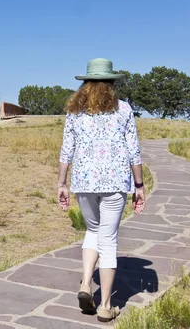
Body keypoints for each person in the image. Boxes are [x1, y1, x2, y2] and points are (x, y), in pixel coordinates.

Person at [57, 58, 145, 323]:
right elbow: (134, 151)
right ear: (111, 84)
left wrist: (61, 183)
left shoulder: (75, 111)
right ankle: (106, 305)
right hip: (115, 182)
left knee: (92, 231)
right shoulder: (124, 109)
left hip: (84, 182)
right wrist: (139, 186)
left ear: (85, 83)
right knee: (108, 240)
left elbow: (66, 150)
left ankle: (86, 283)